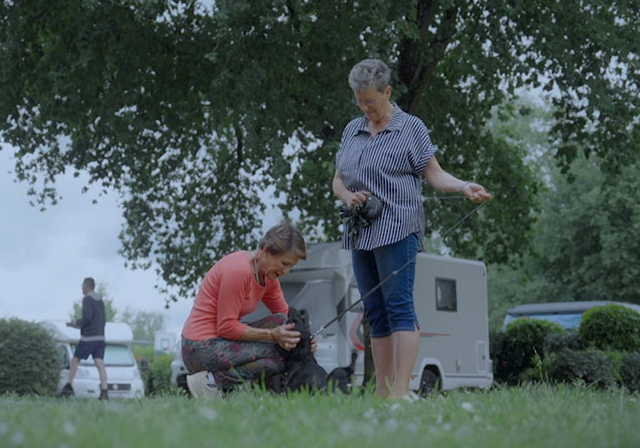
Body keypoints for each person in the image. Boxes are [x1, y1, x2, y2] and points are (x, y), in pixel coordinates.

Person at [331, 58, 491, 399]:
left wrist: (463, 186)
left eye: (370, 101)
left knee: (399, 305)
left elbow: (433, 173)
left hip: (397, 227)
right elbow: (338, 179)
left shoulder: (411, 128)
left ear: (387, 92)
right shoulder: (352, 130)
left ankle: (401, 391)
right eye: (358, 100)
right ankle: (383, 391)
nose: (364, 107)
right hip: (361, 230)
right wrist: (346, 195)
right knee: (374, 311)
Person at [180, 223, 312, 398]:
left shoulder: (268, 276)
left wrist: (305, 340)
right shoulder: (238, 270)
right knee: (277, 356)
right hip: (198, 347)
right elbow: (226, 327)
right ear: (265, 250)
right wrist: (272, 335)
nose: (286, 271)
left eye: (290, 267)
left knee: (282, 322)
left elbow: (286, 317)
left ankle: (267, 394)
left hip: (221, 342)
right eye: (284, 263)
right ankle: (209, 382)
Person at [59, 277, 109, 400]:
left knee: (75, 360)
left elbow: (87, 318)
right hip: (100, 337)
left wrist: (74, 322)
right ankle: (104, 392)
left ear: (87, 286)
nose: (81, 288)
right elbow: (99, 320)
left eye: (82, 286)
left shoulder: (87, 299)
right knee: (99, 363)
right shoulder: (100, 301)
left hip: (89, 338)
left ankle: (68, 388)